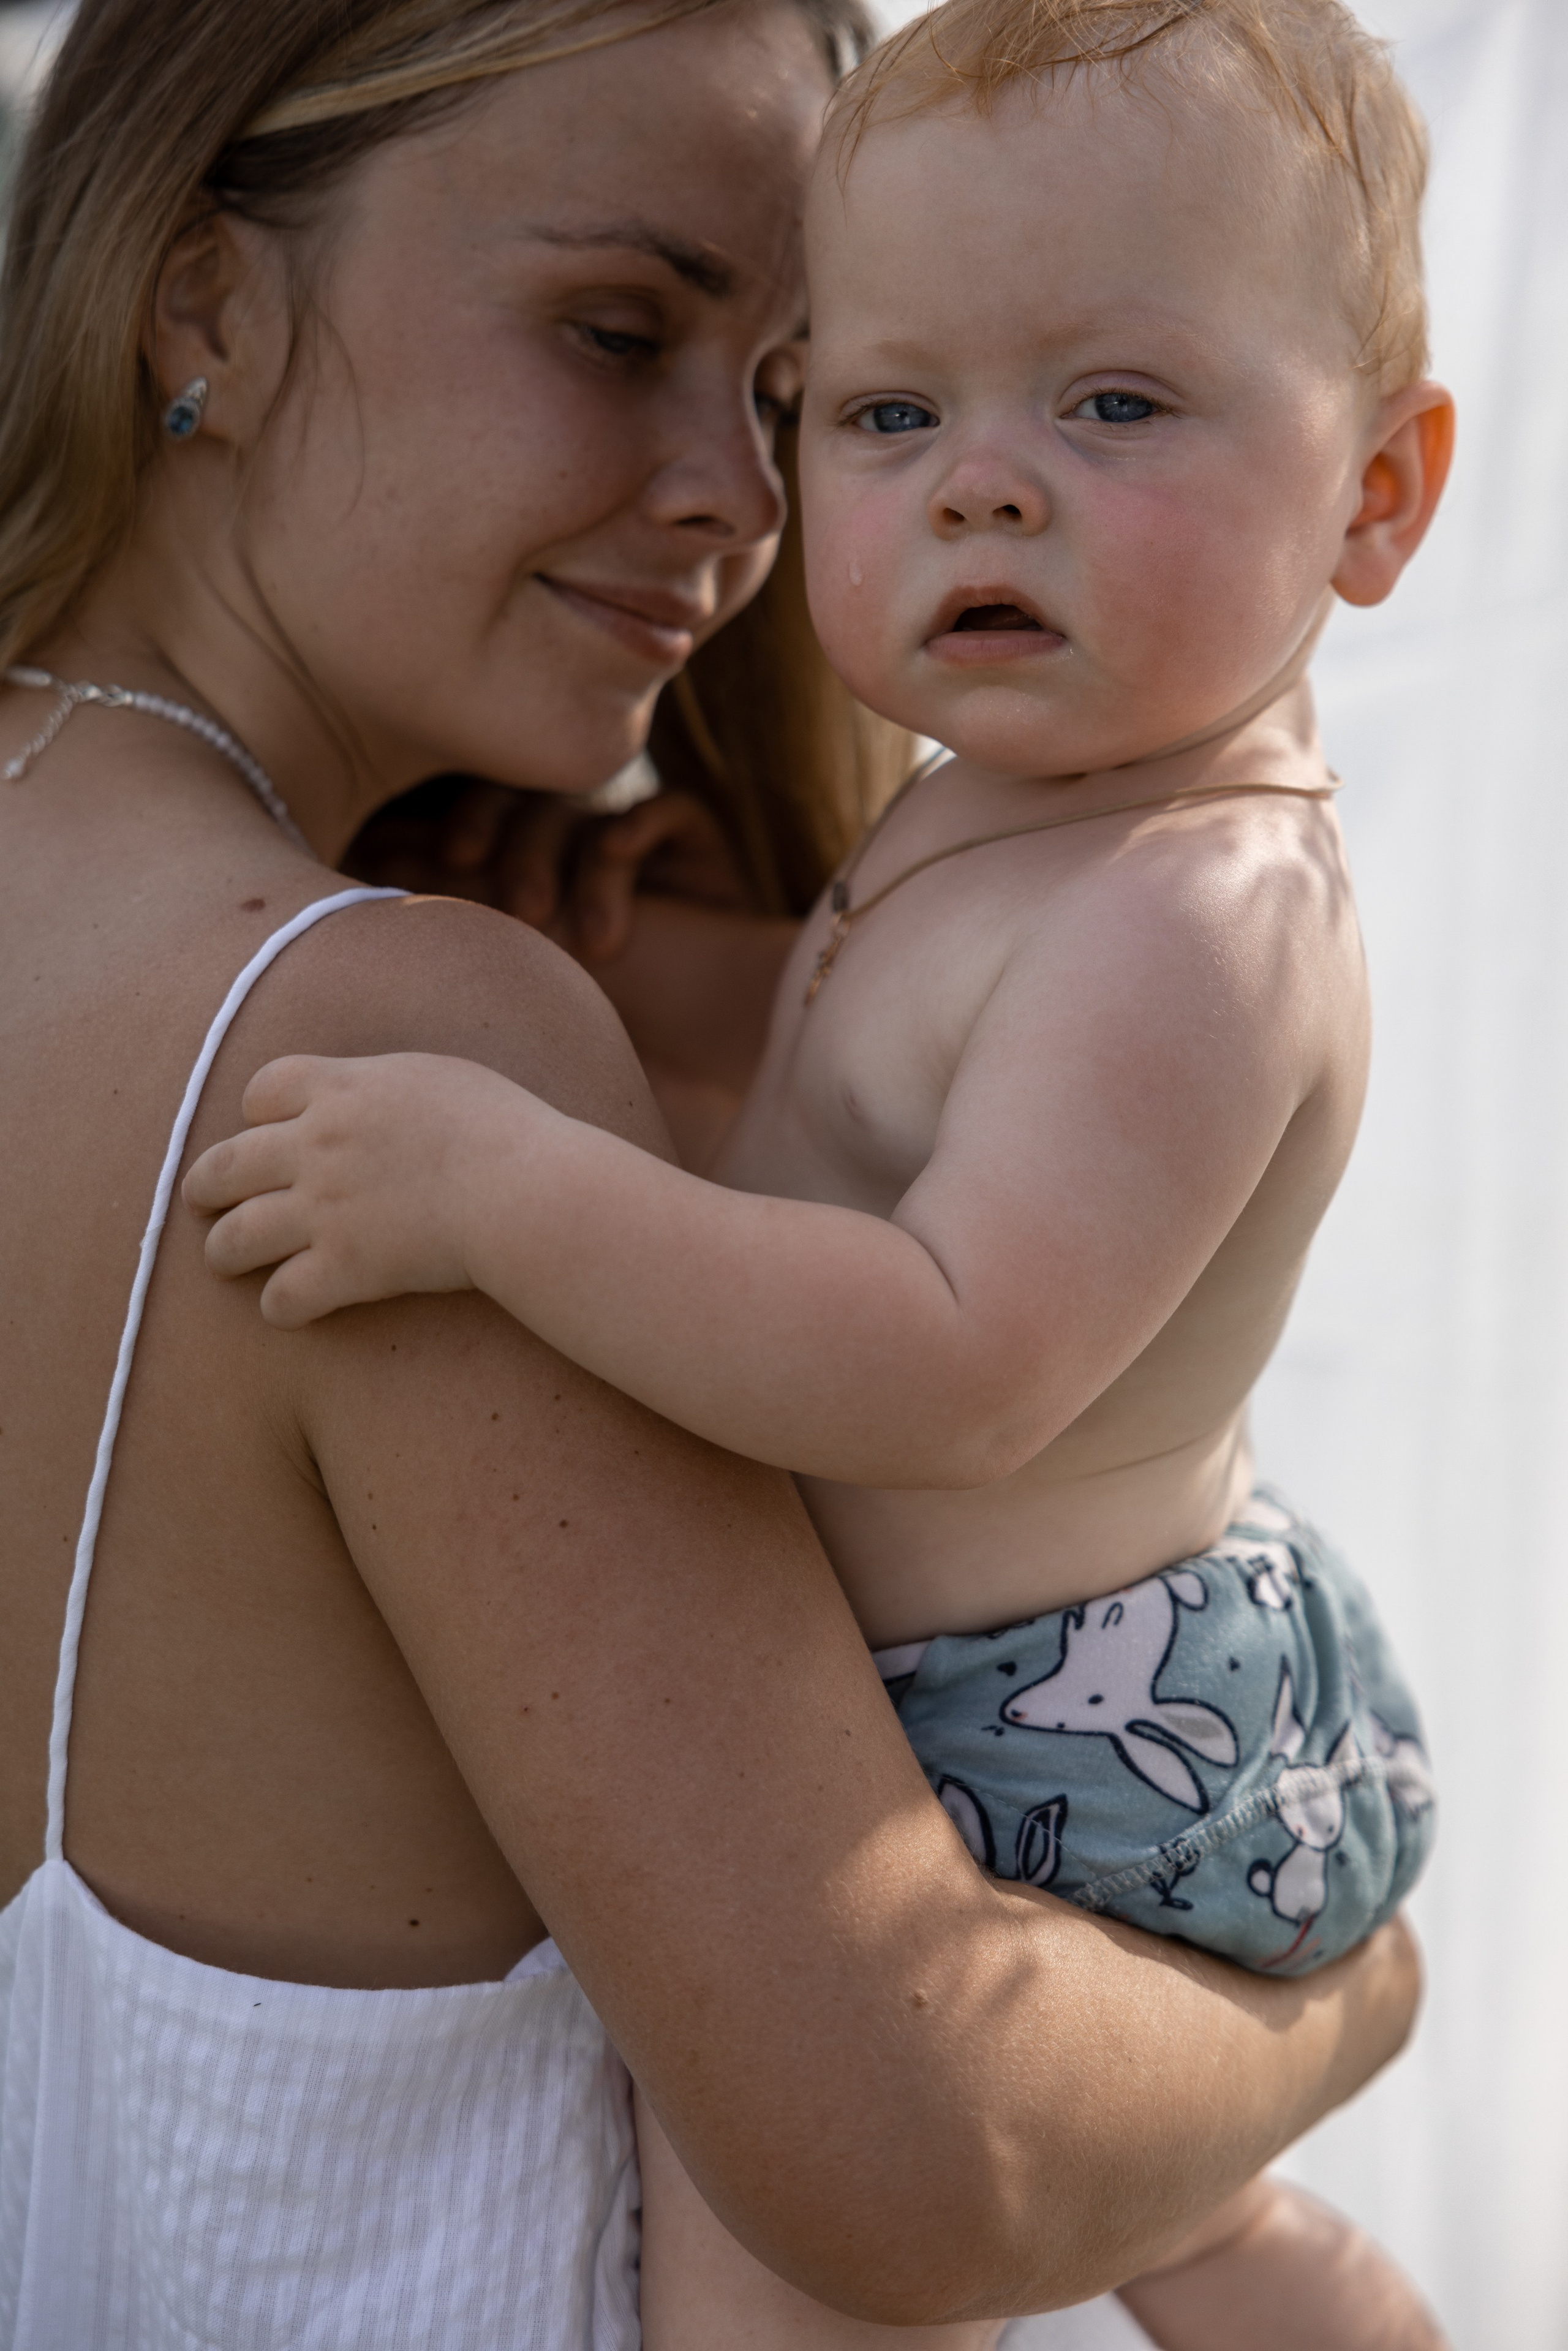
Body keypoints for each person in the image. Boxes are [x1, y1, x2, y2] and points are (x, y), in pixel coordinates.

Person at [184, 0, 1457, 2344]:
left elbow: (955, 1358)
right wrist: (634, 928)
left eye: (1114, 403)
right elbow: (855, 1125)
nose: (978, 484)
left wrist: (507, 1195)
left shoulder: (1194, 924)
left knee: (782, 2217)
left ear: (1377, 494)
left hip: (1041, 1727)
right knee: (1192, 2227)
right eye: (887, 413)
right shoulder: (1030, 823)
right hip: (1078, 1673)